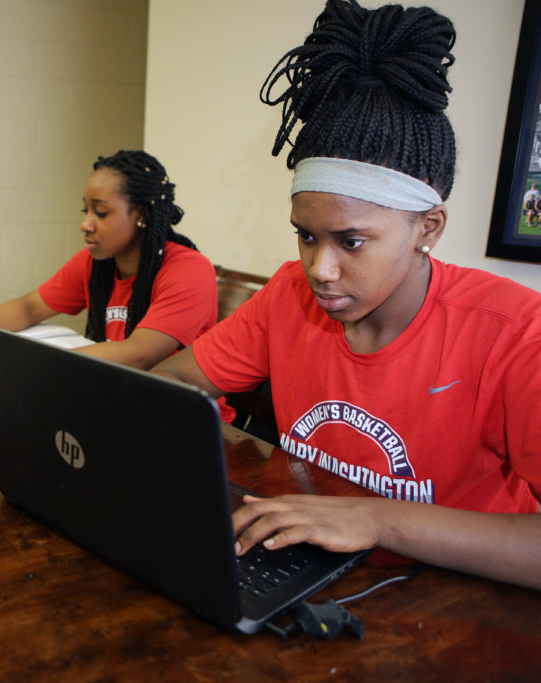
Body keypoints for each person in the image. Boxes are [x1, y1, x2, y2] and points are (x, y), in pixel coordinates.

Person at [153, 0, 541, 590]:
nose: (319, 268)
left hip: (454, 599)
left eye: (352, 241)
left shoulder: (513, 332)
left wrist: (378, 519)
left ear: (427, 228)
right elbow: (175, 382)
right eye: (306, 235)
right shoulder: (290, 294)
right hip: (313, 571)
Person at [0, 150, 219, 371]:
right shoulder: (95, 263)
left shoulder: (189, 270)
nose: (85, 224)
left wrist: (37, 363)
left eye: (100, 212)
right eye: (85, 211)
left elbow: (140, 354)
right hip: (117, 393)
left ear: (141, 214)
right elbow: (29, 307)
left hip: (179, 413)